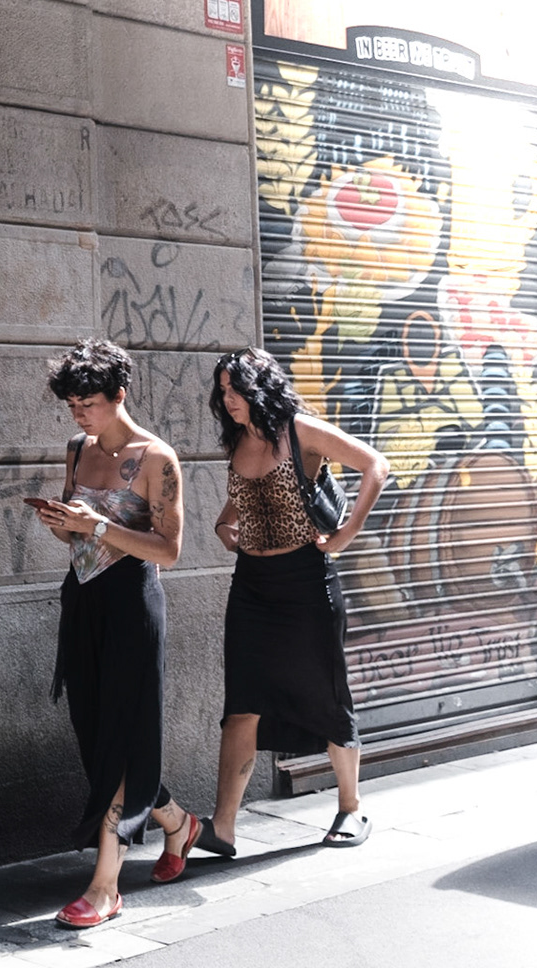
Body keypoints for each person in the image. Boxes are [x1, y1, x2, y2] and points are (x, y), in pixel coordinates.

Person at [195, 347, 390, 859]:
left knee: (327, 698)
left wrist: (346, 534)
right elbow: (244, 496)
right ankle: (224, 827)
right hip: (252, 587)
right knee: (241, 706)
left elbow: (376, 465)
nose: (228, 399)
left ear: (259, 389)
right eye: (222, 391)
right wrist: (223, 524)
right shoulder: (238, 438)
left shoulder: (300, 430)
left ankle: (351, 807)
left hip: (306, 585)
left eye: (235, 389)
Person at [35, 338, 199, 929]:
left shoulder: (157, 458)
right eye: (73, 405)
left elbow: (170, 551)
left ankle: (106, 887)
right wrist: (63, 524)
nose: (80, 415)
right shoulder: (77, 449)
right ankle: (178, 822)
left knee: (121, 743)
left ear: (119, 395)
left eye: (89, 404)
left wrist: (98, 524)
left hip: (133, 606)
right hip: (82, 602)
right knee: (95, 737)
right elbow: (77, 537)